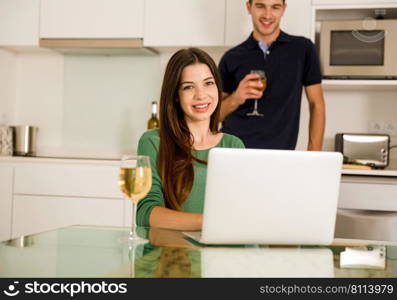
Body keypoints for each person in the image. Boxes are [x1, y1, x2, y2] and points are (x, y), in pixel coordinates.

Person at [136, 48, 245, 231]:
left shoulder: (234, 145)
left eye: (208, 83)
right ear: (176, 96)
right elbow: (146, 213)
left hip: (221, 253)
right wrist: (207, 223)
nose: (201, 95)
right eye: (188, 87)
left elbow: (242, 209)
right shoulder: (153, 141)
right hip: (170, 255)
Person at [219, 0, 325, 150]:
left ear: (283, 9)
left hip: (279, 155)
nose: (267, 15)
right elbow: (215, 116)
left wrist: (314, 155)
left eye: (275, 7)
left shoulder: (303, 50)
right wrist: (236, 98)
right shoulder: (231, 57)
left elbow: (317, 104)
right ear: (249, 7)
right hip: (233, 151)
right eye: (260, 6)